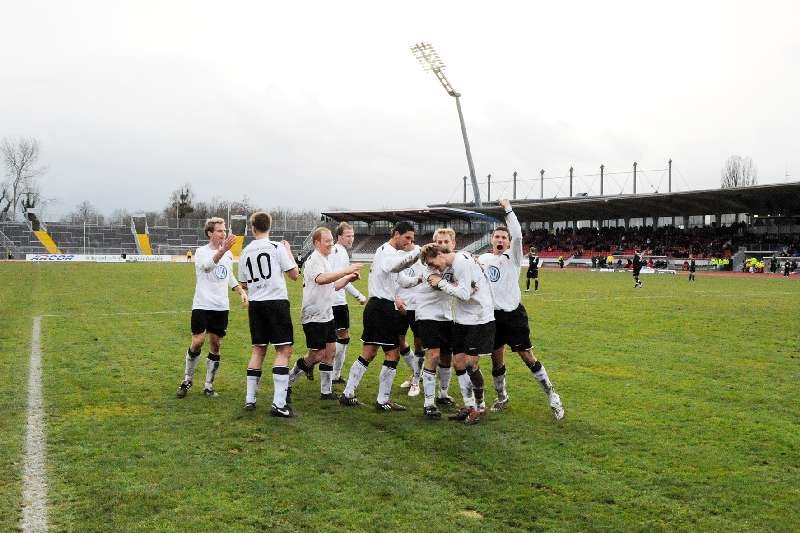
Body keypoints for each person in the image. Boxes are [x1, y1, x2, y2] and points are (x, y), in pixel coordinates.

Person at [478, 199, 565, 420]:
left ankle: (552, 395)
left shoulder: (514, 257)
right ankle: (502, 397)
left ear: (508, 242)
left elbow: (518, 234)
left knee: (527, 356)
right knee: (496, 360)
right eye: (497, 237)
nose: (500, 240)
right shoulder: (484, 259)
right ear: (491, 240)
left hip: (513, 315)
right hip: (492, 317)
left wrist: (508, 209)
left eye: (503, 237)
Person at [339, 221, 419, 411]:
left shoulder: (393, 253)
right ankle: (382, 400)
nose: (409, 242)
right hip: (381, 308)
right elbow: (395, 267)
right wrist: (417, 253)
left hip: (381, 307)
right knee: (392, 353)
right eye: (407, 237)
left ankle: (348, 393)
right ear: (396, 234)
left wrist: (419, 279)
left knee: (369, 352)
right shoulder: (386, 252)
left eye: (412, 240)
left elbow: (402, 280)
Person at [422, 244, 495, 425]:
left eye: (434, 263)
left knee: (470, 365)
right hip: (462, 319)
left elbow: (463, 294)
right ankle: (470, 407)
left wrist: (442, 283)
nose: (435, 268)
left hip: (478, 319)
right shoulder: (458, 262)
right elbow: (466, 289)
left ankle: (479, 406)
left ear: (440, 254)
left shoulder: (461, 262)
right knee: (459, 362)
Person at [287, 227, 362, 403]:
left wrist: (349, 278)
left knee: (331, 351)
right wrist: (346, 270)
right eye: (326, 241)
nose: (330, 244)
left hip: (326, 314)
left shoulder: (325, 259)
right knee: (317, 355)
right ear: (316, 243)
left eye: (331, 240)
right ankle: (287, 382)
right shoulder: (314, 260)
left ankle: (326, 392)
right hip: (313, 315)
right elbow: (322, 279)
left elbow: (333, 285)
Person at [177, 217, 248, 399]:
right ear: (210, 233)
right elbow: (208, 267)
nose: (223, 234)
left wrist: (240, 290)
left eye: (224, 231)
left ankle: (208, 385)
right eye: (219, 231)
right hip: (202, 304)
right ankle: (187, 379)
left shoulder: (229, 254)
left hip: (221, 307)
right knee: (198, 341)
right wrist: (222, 250)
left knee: (216, 345)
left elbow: (228, 275)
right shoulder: (201, 252)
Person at [238, 211, 300, 417]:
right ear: (269, 227)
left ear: (252, 228)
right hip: (275, 303)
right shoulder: (277, 247)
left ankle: (250, 399)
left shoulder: (245, 251)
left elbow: (244, 283)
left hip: (256, 305)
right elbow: (294, 275)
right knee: (283, 351)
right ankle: (278, 403)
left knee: (258, 350)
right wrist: (289, 251)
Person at [329, 222, 367, 385]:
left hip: (334, 299)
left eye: (353, 235)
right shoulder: (339, 252)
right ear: (339, 237)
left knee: (341, 338)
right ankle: (319, 366)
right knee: (341, 338)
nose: (352, 238)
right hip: (336, 301)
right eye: (348, 236)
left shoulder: (338, 251)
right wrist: (359, 296)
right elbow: (340, 279)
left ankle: (334, 374)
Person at [396, 243, 425, 397]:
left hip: (417, 306)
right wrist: (396, 299)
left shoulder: (420, 252)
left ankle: (415, 380)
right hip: (399, 305)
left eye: (410, 237)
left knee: (419, 342)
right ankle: (416, 373)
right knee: (398, 341)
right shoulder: (395, 253)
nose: (406, 241)